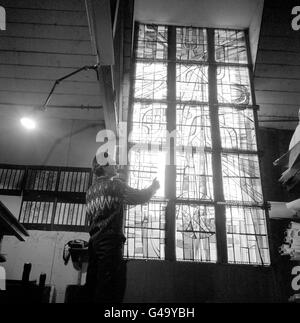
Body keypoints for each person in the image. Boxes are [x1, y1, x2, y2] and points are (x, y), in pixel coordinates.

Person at [85, 153, 160, 302]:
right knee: (111, 289)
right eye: (113, 163)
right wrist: (153, 188)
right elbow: (139, 197)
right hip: (110, 245)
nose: (116, 165)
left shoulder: (90, 191)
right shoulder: (115, 186)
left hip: (94, 245)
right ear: (104, 166)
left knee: (95, 287)